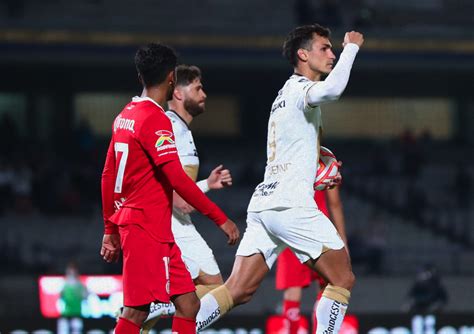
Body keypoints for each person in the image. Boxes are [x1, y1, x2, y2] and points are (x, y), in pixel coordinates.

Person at [194, 24, 364, 334]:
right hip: (292, 207)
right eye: (324, 48)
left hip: (265, 206)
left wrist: (317, 169)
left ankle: (182, 327)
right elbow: (334, 90)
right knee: (342, 278)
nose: (332, 53)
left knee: (238, 290)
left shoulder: (283, 95)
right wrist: (352, 47)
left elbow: (292, 151)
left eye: (333, 48)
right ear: (303, 54)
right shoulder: (301, 90)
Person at [100, 43, 239, 334]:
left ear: (140, 77)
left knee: (189, 304)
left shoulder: (125, 115)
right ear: (171, 78)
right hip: (145, 227)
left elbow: (107, 175)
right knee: (136, 312)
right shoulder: (156, 120)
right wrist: (220, 219)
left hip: (155, 229)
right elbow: (177, 180)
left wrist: (109, 230)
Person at [140, 64, 234, 333]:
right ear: (178, 94)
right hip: (169, 225)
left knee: (210, 286)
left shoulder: (180, 129)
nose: (204, 93)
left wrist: (206, 183)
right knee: (215, 288)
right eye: (197, 87)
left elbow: (179, 189)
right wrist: (202, 195)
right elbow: (179, 200)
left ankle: (159, 304)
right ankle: (163, 302)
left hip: (175, 223)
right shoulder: (170, 127)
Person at [275, 187, 348, 334]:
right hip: (319, 227)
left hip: (290, 225)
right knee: (326, 289)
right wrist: (342, 240)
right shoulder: (324, 162)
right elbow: (334, 203)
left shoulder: (283, 162)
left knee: (292, 292)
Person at [58, 261, 88, 334]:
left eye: (73, 270)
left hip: (77, 314)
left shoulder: (81, 285)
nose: (71, 272)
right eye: (70, 270)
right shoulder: (64, 285)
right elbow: (61, 297)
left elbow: (85, 297)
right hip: (66, 314)